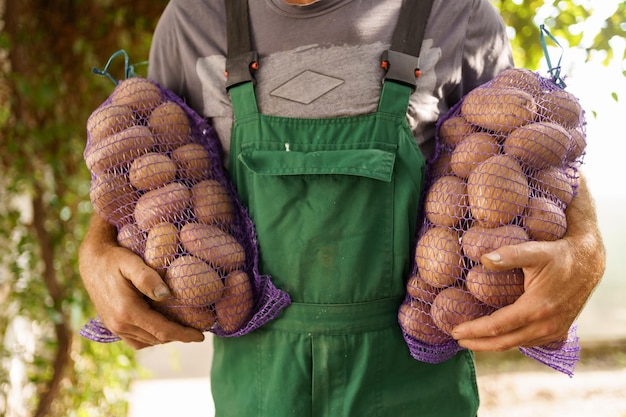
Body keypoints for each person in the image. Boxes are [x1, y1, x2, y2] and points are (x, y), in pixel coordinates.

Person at [78, 0, 606, 415]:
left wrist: (585, 245)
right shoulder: (192, 18)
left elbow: (521, 151)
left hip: (415, 388)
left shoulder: (457, 12)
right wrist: (94, 249)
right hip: (260, 391)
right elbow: (149, 169)